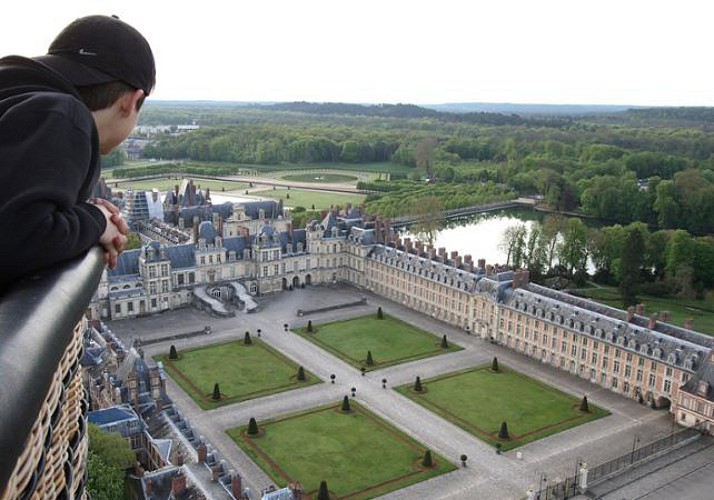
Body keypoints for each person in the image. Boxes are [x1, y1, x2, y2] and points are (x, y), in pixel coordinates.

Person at [0, 15, 155, 293]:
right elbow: (17, 240)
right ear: (130, 102)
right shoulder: (62, 115)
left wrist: (78, 215)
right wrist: (96, 221)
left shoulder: (15, 100)